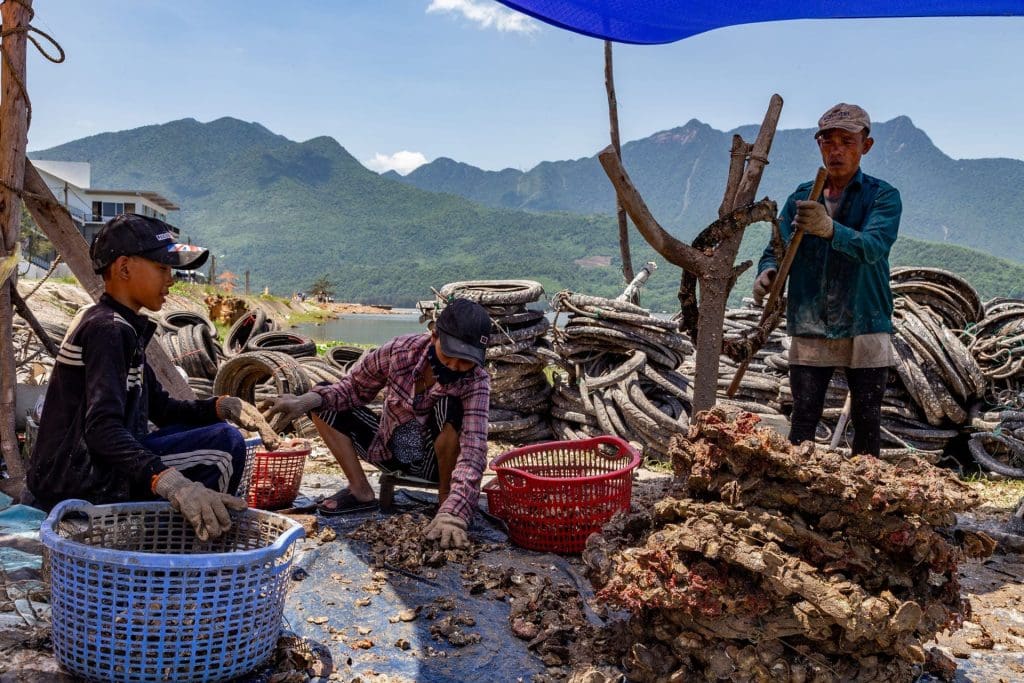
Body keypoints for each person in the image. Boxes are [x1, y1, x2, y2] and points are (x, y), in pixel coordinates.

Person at [28, 214, 279, 541]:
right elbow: (101, 428)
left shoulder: (121, 325)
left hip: (86, 465)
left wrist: (222, 406)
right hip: (77, 477)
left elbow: (160, 408)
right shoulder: (109, 330)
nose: (171, 279)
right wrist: (171, 483)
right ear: (124, 268)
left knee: (217, 430)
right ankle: (196, 550)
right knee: (223, 447)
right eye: (162, 268)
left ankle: (175, 534)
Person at [262, 298, 492, 549]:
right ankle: (360, 490)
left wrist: (456, 513)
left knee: (451, 407)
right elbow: (352, 389)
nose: (456, 367)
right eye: (450, 356)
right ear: (434, 335)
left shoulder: (476, 381)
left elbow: (473, 450)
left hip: (436, 463)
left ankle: (446, 505)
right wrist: (304, 401)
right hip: (390, 449)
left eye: (465, 361)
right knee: (323, 398)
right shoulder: (401, 351)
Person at [753, 103, 902, 457]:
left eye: (847, 141)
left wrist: (830, 229)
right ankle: (798, 496)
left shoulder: (883, 196)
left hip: (864, 318)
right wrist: (768, 271)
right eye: (828, 141)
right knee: (803, 418)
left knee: (867, 420)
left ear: (866, 146)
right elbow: (776, 247)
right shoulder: (802, 197)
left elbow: (873, 247)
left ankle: (864, 501)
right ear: (819, 145)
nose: (836, 150)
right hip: (810, 319)